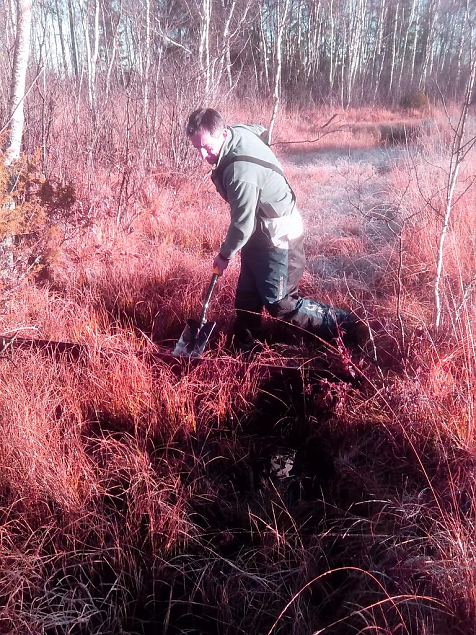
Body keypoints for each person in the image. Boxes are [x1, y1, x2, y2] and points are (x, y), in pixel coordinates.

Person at [186, 107, 356, 350]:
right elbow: (260, 130)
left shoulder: (239, 172)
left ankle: (342, 324)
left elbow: (242, 224)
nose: (203, 155)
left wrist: (224, 255)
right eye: (197, 148)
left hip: (279, 234)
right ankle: (247, 348)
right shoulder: (237, 133)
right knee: (247, 297)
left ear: (222, 134)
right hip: (259, 231)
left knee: (281, 302)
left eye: (206, 146)